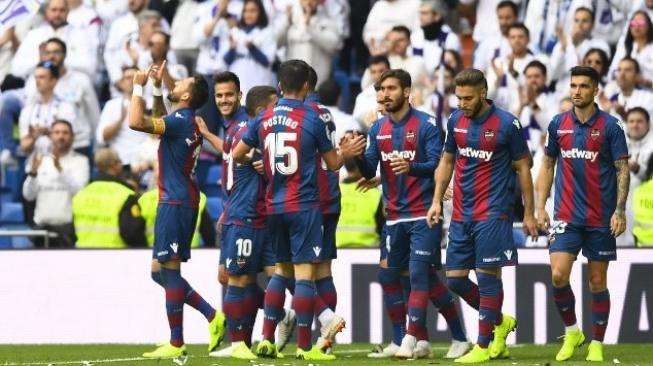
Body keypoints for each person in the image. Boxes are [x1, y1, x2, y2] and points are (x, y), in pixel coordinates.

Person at [233, 59, 359, 360]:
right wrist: (346, 152)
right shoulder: (313, 117)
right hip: (304, 205)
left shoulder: (262, 118)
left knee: (280, 272)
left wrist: (260, 162)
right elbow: (332, 165)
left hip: (273, 206)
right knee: (304, 276)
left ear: (279, 85)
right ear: (306, 86)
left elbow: (237, 154)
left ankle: (266, 340)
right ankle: (305, 347)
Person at [346, 69, 469, 359]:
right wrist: (355, 156)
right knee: (393, 276)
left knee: (416, 274)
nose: (384, 94)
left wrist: (411, 166)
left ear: (406, 91)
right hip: (393, 216)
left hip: (423, 214)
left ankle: (411, 339)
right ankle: (438, 339)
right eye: (381, 89)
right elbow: (370, 168)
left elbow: (438, 165)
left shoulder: (426, 124)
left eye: (390, 88)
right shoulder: (378, 129)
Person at [426, 68, 538, 363]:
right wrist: (437, 200)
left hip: (494, 213)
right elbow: (447, 159)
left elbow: (524, 169)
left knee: (488, 278)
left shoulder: (507, 124)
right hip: (462, 214)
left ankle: (484, 345)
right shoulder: (454, 120)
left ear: (483, 92)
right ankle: (500, 322)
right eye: (458, 97)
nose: (462, 103)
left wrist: (529, 213)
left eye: (467, 98)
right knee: (456, 280)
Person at [128, 64, 225, 358]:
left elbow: (135, 121)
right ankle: (212, 315)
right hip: (177, 199)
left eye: (180, 81)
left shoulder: (183, 121)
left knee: (169, 270)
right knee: (159, 273)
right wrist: (157, 88)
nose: (176, 82)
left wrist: (137, 86)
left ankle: (176, 341)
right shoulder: (185, 120)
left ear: (187, 94)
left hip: (176, 201)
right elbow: (162, 119)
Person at [535, 66, 630, 362]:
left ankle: (598, 343)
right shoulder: (557, 124)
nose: (576, 91)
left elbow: (621, 169)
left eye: (583, 86)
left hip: (600, 217)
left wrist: (619, 210)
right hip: (565, 215)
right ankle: (573, 331)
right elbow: (548, 164)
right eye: (573, 85)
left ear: (595, 90)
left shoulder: (611, 127)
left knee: (597, 282)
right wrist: (539, 206)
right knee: (559, 275)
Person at [198, 72, 275, 360]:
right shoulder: (233, 127)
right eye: (219, 96)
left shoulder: (246, 124)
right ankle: (265, 323)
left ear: (239, 96)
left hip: (247, 214)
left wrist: (259, 163)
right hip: (235, 211)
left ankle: (242, 342)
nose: (224, 100)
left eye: (229, 94)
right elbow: (233, 153)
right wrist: (207, 136)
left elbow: (256, 156)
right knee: (230, 276)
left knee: (238, 279)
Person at [23, 120, 89, 248]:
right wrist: (32, 174)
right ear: (50, 136)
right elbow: (28, 196)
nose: (61, 136)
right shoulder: (41, 161)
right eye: (57, 132)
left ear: (72, 137)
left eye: (65, 133)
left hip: (67, 230)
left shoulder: (81, 161)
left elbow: (80, 192)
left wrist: (60, 170)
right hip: (41, 229)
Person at [73, 148, 146, 248]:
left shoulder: (81, 194)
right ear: (114, 165)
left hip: (82, 254)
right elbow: (133, 233)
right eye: (120, 162)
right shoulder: (126, 195)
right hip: (114, 256)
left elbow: (72, 230)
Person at [336, 157, 383, 248]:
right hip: (370, 253)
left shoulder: (336, 191)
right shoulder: (374, 193)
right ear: (359, 167)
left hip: (339, 253)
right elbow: (383, 229)